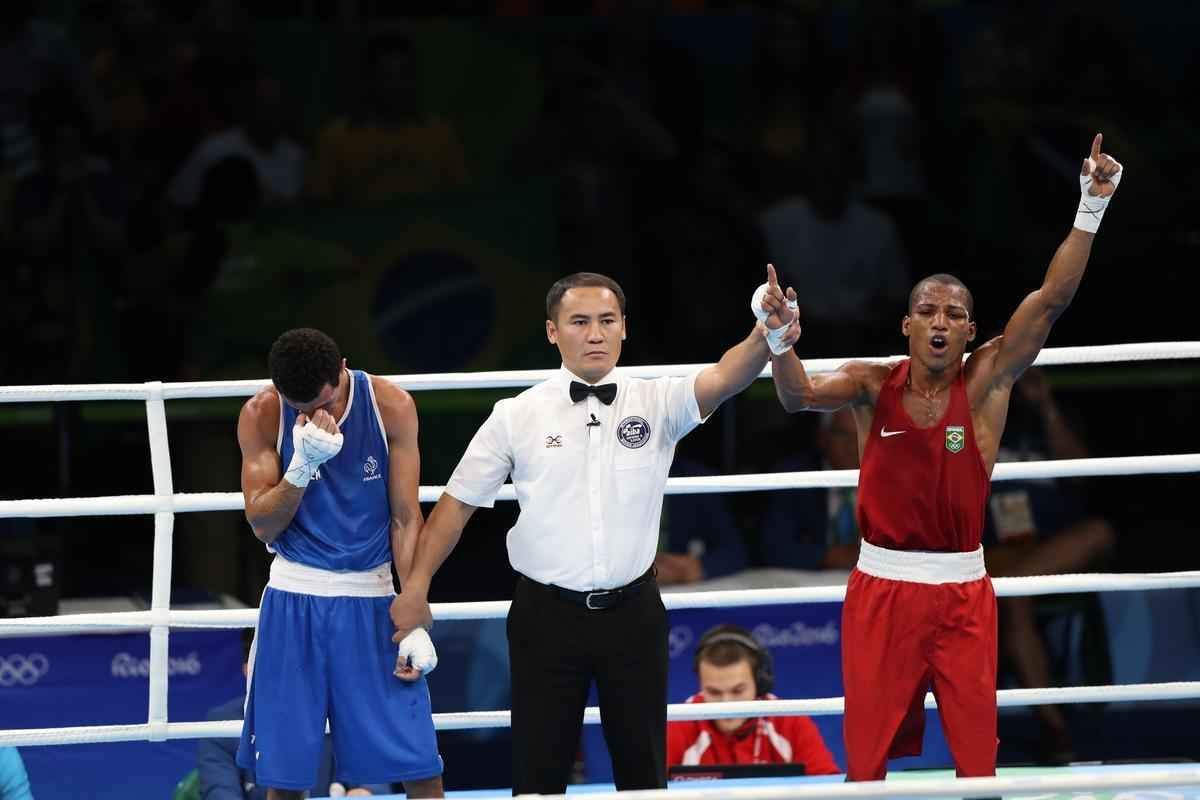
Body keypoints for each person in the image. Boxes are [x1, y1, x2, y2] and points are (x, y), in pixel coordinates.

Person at [765, 134, 1123, 780]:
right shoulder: (872, 385)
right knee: (866, 764)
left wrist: (1089, 209)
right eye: (926, 309)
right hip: (881, 591)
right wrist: (776, 338)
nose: (939, 318)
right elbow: (798, 398)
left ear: (968, 328)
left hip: (962, 589)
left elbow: (1050, 300)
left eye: (953, 312)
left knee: (977, 763)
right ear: (906, 325)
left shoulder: (988, 380)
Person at [390, 269, 798, 795]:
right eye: (579, 321)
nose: (595, 333)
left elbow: (725, 376)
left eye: (607, 320)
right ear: (552, 332)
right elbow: (455, 507)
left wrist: (765, 331)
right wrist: (417, 588)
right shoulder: (515, 415)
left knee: (643, 773)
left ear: (624, 327)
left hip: (635, 614)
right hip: (545, 617)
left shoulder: (657, 401)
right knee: (539, 774)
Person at [235, 328, 444, 800]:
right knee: (284, 779)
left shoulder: (390, 406)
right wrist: (300, 468)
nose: (315, 417)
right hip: (294, 601)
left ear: (343, 369)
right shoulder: (262, 413)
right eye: (302, 407)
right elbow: (264, 527)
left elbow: (406, 517)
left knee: (419, 765)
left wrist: (411, 610)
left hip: (371, 601)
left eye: (324, 404)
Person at [982, 366, 1116, 764]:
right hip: (995, 551)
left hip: (1052, 550)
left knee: (1099, 532)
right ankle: (1053, 724)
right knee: (1015, 596)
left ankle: (1016, 584)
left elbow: (1083, 473)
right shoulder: (970, 418)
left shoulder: (1050, 420)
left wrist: (1046, 406)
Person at [197, 636, 391, 799]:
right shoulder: (221, 723)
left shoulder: (340, 711)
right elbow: (220, 794)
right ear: (249, 669)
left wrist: (366, 792)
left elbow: (374, 779)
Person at [666, 624, 839, 773]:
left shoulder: (790, 720)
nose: (726, 705)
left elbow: (831, 792)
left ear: (759, 682)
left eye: (738, 690)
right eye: (714, 692)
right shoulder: (679, 723)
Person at [760, 408, 862, 571]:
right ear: (822, 437)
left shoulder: (889, 479)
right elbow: (773, 547)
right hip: (811, 585)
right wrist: (826, 556)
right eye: (843, 434)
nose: (852, 445)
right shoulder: (795, 477)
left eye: (860, 434)